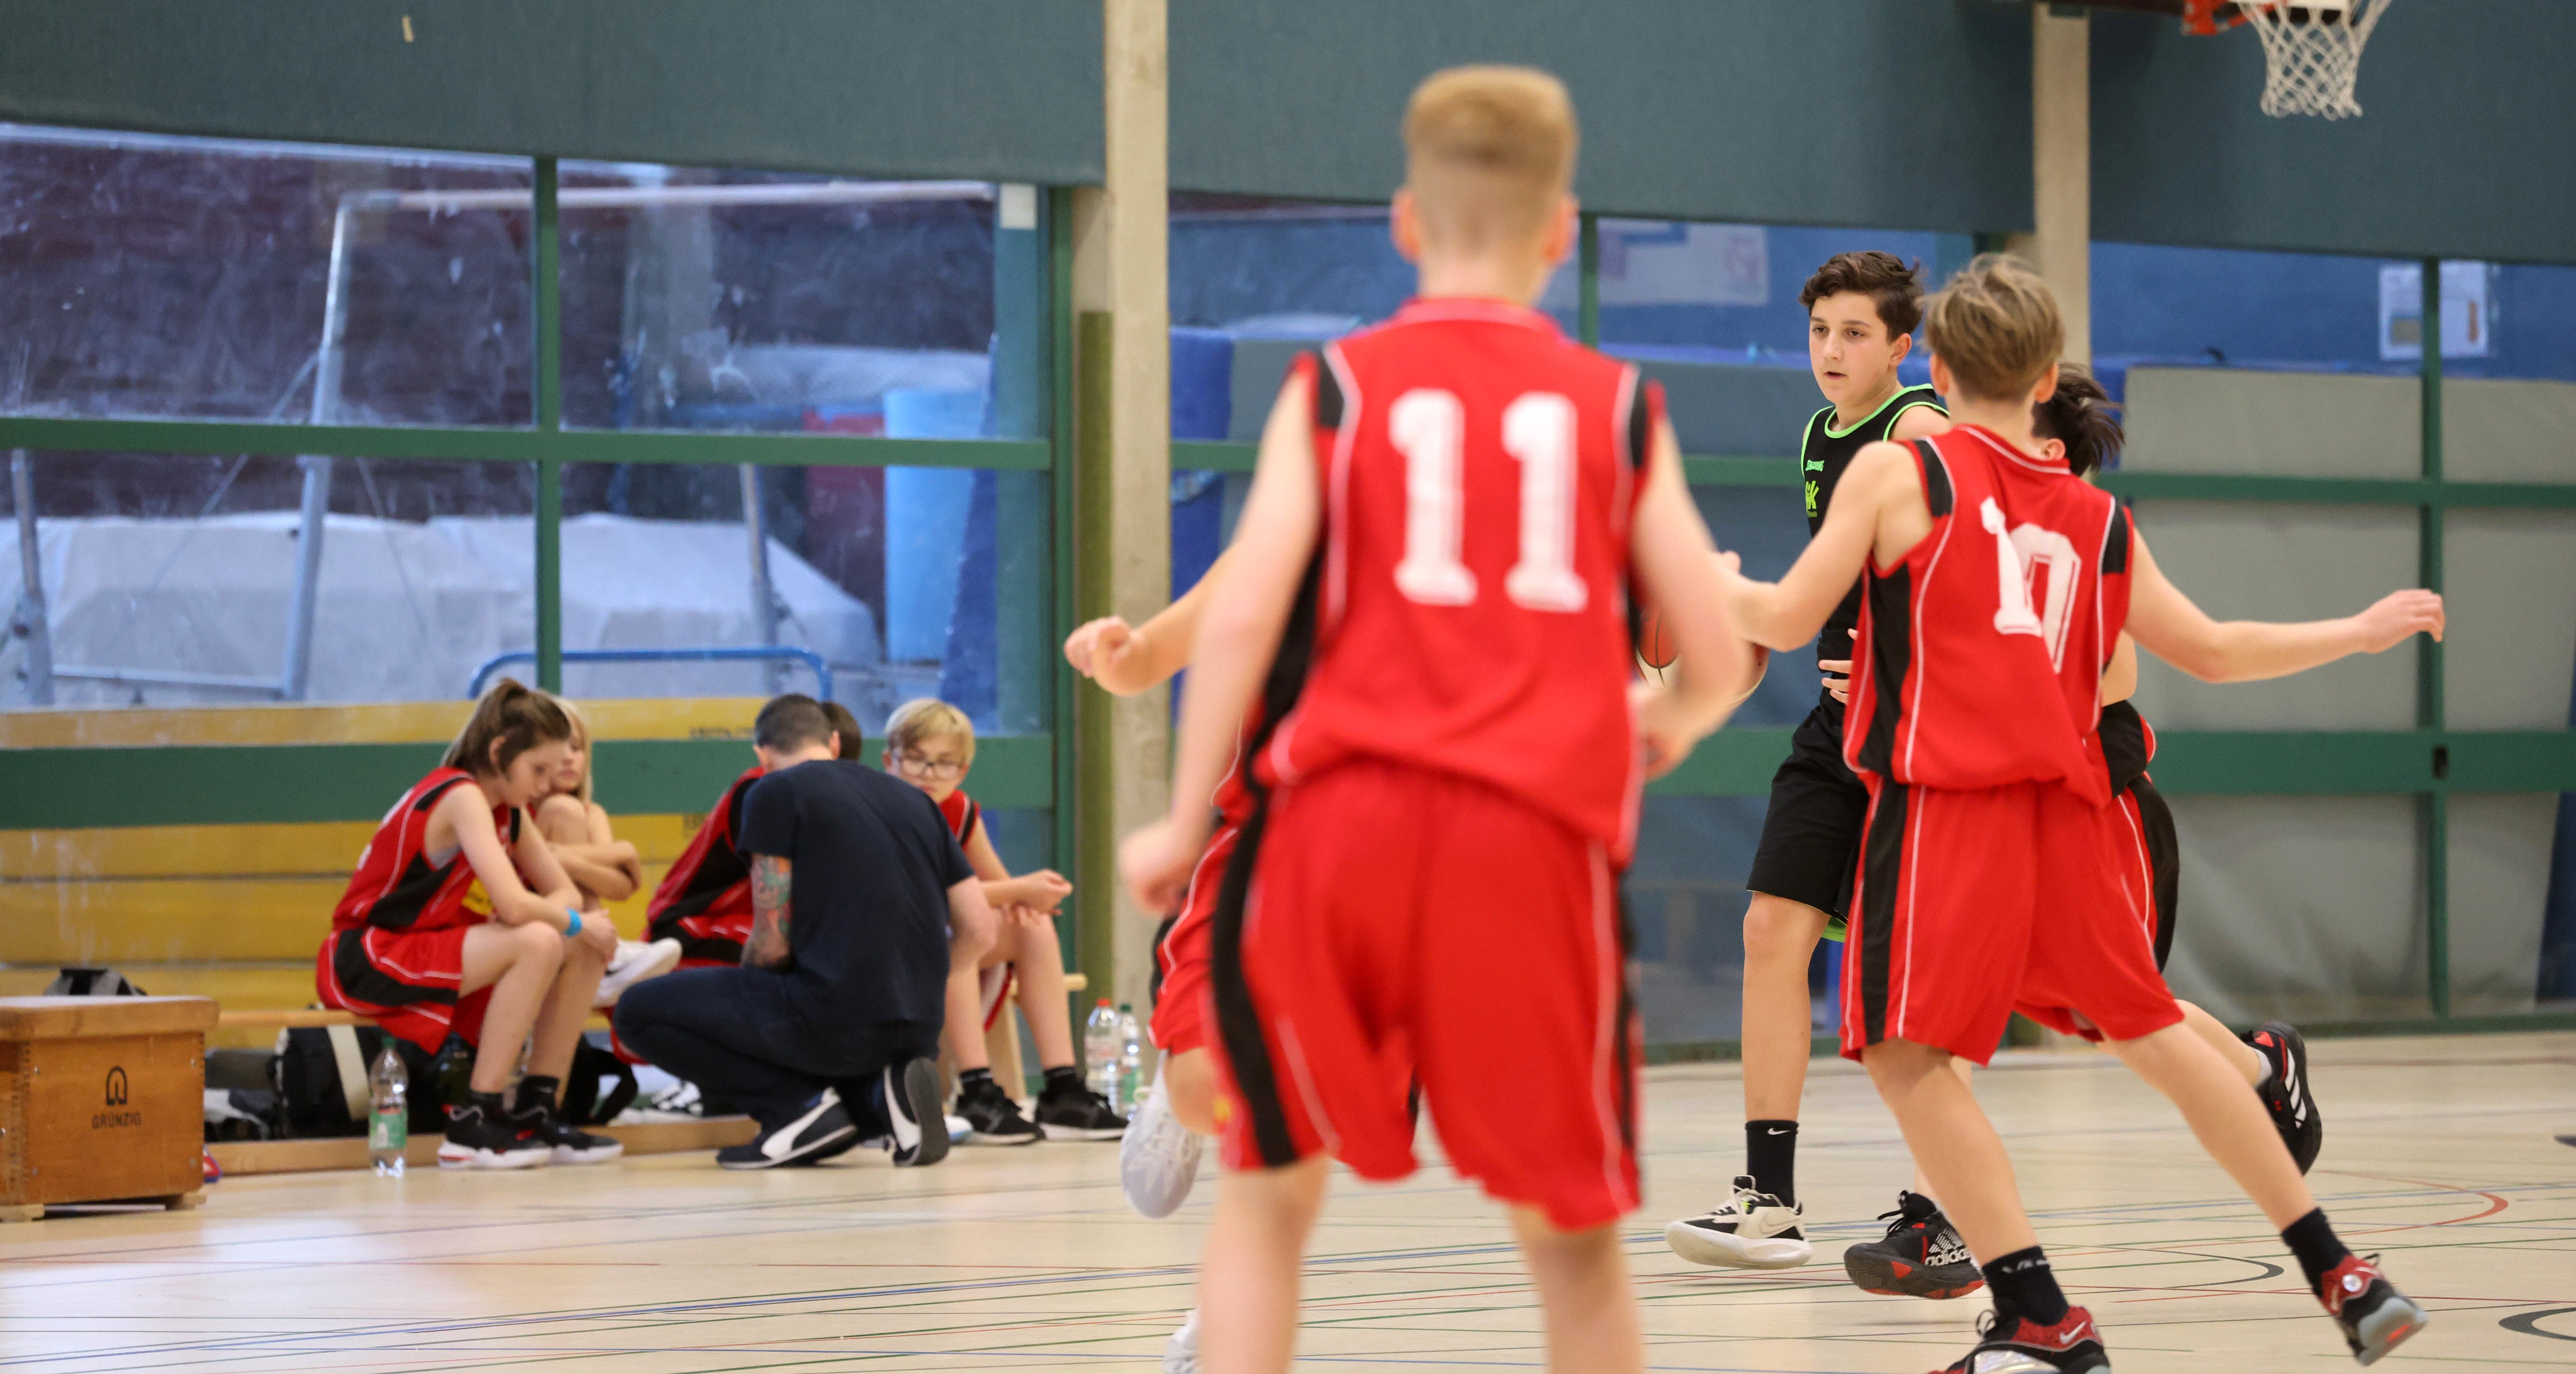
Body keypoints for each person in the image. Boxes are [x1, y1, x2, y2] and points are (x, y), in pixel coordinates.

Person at [1118, 66, 1755, 1374]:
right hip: (1524, 847)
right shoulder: (1614, 404)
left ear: (1405, 220)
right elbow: (1714, 645)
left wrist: (1181, 819)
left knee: (1266, 1199)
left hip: (1333, 830)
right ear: (1561, 229)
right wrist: (1674, 718)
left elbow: (1242, 617)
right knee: (1572, 1250)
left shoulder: (1334, 386)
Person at [1713, 254, 2437, 1370]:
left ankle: (2039, 1313)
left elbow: (1779, 616)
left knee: (1903, 1055)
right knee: (2153, 1034)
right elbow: (2211, 650)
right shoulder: (2094, 517)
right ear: (2046, 377)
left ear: (1935, 367)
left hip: (1948, 813)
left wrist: (1706, 576)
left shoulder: (1900, 472)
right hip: (2068, 816)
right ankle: (2340, 1268)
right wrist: (2355, 630)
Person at [1835, 367, 2325, 1301]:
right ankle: (1949, 1228)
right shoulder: (1948, 523)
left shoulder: (2070, 532)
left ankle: (2259, 1068)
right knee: (1943, 1015)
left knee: (2115, 1017)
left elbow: (2124, 674)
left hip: (2097, 803)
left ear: (2043, 446)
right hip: (1994, 809)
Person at [1664, 250, 1953, 1276]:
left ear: (1900, 346)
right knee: (1768, 930)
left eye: (1854, 334)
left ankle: (1941, 1211)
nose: (1831, 350)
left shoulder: (1920, 435)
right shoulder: (1819, 435)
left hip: (1921, 735)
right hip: (1837, 726)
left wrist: (1711, 594)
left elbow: (1964, 584)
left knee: (1918, 974)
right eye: (1819, 330)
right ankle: (1768, 1201)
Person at [613, 694, 992, 1170]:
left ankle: (793, 1111)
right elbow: (978, 927)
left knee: (637, 1010)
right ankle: (879, 1096)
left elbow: (771, 942)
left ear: (762, 754)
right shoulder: (916, 801)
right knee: (828, 1035)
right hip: (918, 1026)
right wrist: (921, 985)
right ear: (833, 742)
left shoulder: (770, 791)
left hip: (834, 1018)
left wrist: (751, 1001)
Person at [316, 679, 625, 1169]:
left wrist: (563, 918)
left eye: (552, 771)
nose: (547, 784)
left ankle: (536, 1108)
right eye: (538, 769)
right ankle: (474, 1120)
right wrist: (562, 918)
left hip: (425, 945)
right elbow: (517, 906)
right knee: (542, 940)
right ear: (499, 751)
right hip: (368, 953)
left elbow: (561, 890)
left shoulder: (510, 811)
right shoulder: (461, 795)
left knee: (581, 943)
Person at [878, 697, 1122, 1145]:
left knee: (1031, 926)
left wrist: (1027, 899)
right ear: (888, 761)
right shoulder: (880, 810)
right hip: (886, 949)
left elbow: (1000, 888)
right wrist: (1021, 890)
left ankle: (1062, 1089)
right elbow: (924, 900)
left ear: (962, 771)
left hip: (935, 943)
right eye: (915, 759)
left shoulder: (959, 810)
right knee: (967, 932)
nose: (929, 774)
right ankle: (975, 1090)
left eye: (944, 763)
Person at [528, 696, 681, 1007]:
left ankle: (600, 959)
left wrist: (568, 861)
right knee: (562, 808)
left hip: (571, 919)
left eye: (577, 748)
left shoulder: (592, 812)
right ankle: (597, 959)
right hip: (536, 918)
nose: (569, 758)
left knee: (569, 811)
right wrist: (621, 852)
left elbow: (621, 887)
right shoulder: (523, 809)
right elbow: (542, 862)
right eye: (560, 748)